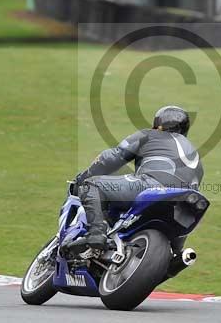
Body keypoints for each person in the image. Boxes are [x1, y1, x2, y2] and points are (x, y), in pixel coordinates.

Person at [72, 105, 204, 250]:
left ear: (158, 125)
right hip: (185, 206)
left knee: (91, 185)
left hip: (152, 186)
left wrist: (81, 179)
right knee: (175, 254)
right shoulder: (196, 158)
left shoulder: (150, 135)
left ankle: (96, 233)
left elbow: (111, 158)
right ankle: (174, 260)